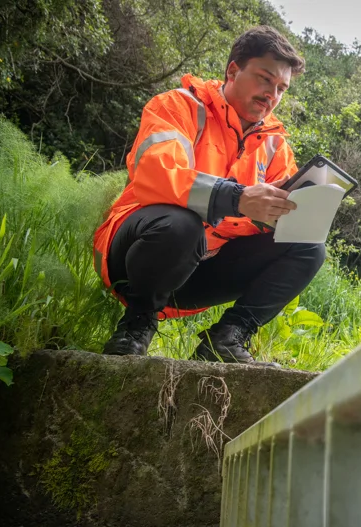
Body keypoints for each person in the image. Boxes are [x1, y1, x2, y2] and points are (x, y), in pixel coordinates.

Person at [92, 25, 325, 366]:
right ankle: (136, 326)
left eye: (281, 88)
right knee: (182, 225)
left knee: (308, 246)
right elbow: (155, 173)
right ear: (233, 71)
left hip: (202, 271)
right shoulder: (178, 105)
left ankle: (226, 339)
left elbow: (272, 222)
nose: (272, 94)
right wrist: (237, 198)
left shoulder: (275, 144)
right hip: (136, 256)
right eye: (264, 79)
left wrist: (293, 213)